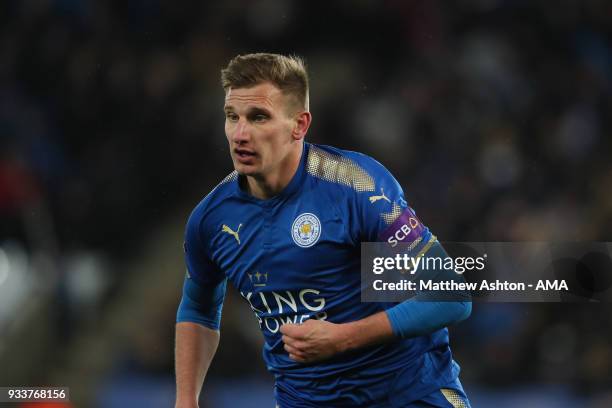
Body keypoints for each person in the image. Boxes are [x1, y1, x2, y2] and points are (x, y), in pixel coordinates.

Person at [175, 53, 472, 408]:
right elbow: (199, 306)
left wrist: (343, 338)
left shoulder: (356, 186)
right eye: (231, 117)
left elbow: (451, 295)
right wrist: (186, 401)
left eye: (258, 118)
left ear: (299, 125)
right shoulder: (211, 219)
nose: (240, 134)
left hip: (408, 394)